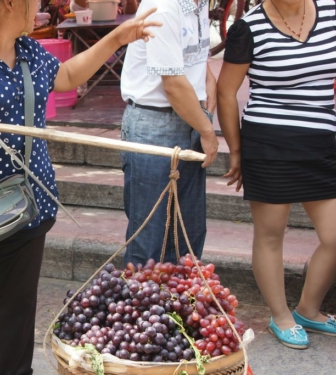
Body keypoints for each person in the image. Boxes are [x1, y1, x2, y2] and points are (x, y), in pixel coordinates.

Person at [0, 0, 159, 373]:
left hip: (29, 202)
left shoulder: (29, 52)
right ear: (10, 4)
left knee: (18, 310)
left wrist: (119, 37)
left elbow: (69, 76)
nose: (38, 9)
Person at [217, 0, 336, 349]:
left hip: (322, 143)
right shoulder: (249, 27)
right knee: (271, 235)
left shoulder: (330, 11)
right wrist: (236, 151)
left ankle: (308, 310)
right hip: (268, 145)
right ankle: (281, 316)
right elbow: (226, 93)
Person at [119, 0, 218, 267]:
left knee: (188, 237)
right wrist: (208, 131)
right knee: (148, 241)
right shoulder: (163, 6)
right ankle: (143, 307)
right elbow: (173, 85)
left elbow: (185, 53)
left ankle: (179, 307)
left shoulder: (197, 4)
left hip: (189, 117)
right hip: (155, 123)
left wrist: (206, 78)